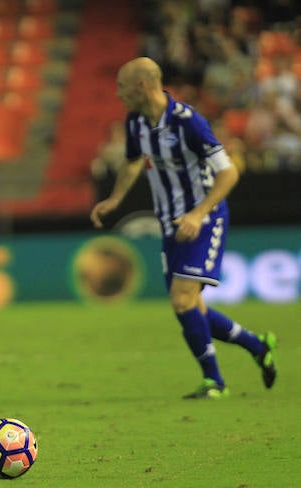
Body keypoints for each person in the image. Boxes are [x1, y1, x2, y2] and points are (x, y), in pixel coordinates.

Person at [90, 57, 277, 399]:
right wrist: (116, 198)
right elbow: (133, 162)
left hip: (204, 219)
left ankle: (215, 382)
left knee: (182, 300)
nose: (118, 94)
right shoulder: (136, 121)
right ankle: (258, 346)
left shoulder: (187, 121)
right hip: (170, 223)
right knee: (193, 307)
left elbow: (229, 172)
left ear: (142, 87)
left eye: (122, 87)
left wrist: (198, 213)